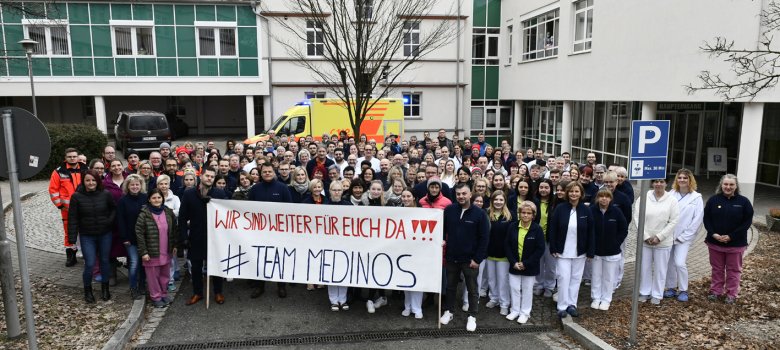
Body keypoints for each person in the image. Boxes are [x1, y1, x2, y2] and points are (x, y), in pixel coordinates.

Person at [439, 183, 490, 332]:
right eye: (458, 194)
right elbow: (442, 229)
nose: (461, 196)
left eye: (464, 193)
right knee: (450, 287)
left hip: (470, 260)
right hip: (452, 257)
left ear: (470, 194)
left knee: (472, 289)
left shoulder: (480, 214)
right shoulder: (449, 210)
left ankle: (472, 316)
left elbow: (484, 238)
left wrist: (477, 259)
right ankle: (449, 311)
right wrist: (442, 240)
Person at [179, 168, 228, 306]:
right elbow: (182, 217)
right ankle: (197, 293)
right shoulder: (189, 194)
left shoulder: (219, 193)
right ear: (201, 176)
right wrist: (184, 237)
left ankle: (218, 292)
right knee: (196, 267)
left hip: (215, 237)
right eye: (207, 175)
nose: (209, 178)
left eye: (212, 177)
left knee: (216, 266)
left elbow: (226, 214)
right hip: (196, 236)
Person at [703, 174, 753, 304]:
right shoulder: (713, 200)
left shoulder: (744, 202)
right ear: (721, 185)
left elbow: (746, 223)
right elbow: (706, 218)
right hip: (715, 242)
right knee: (717, 269)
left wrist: (731, 236)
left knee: (734, 270)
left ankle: (731, 294)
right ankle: (716, 291)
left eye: (731, 184)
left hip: (735, 244)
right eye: (725, 184)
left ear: (736, 186)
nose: (728, 187)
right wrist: (713, 234)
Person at [68, 170, 116, 303]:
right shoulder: (76, 197)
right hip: (87, 235)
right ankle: (87, 290)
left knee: (105, 261)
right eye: (88, 180)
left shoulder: (105, 194)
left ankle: (105, 288)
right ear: (83, 181)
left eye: (93, 180)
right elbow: (73, 218)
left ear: (98, 181)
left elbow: (113, 209)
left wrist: (108, 221)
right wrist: (71, 239)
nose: (91, 183)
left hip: (104, 234)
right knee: (89, 263)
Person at [548, 181, 594, 318]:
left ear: (581, 193)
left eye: (576, 191)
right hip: (562, 252)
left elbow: (591, 231)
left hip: (580, 252)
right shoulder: (560, 208)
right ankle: (561, 306)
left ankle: (572, 304)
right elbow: (553, 229)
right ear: (567, 193)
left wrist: (590, 251)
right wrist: (553, 247)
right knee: (563, 278)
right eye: (571, 191)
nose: (574, 194)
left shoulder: (586, 210)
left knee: (575, 279)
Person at [248, 163, 293, 298]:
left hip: (278, 231)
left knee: (279, 258)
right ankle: (260, 286)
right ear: (261, 174)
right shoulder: (255, 189)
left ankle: (281, 286)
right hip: (260, 231)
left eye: (269, 171)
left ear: (274, 173)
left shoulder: (283, 188)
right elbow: (248, 209)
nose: (267, 173)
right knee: (260, 258)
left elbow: (290, 209)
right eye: (265, 172)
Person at [633, 178, 679, 305]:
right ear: (652, 183)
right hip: (646, 241)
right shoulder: (644, 197)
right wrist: (646, 236)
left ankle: (657, 294)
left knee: (660, 269)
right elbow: (637, 217)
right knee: (645, 268)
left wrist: (659, 237)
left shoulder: (672, 200)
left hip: (663, 243)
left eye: (661, 181)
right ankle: (644, 292)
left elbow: (674, 221)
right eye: (656, 181)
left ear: (666, 183)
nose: (658, 184)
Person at [664, 169, 704, 302]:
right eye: (679, 177)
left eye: (685, 178)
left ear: (690, 180)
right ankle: (670, 287)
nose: (682, 180)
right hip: (669, 236)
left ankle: (683, 289)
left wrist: (684, 236)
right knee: (669, 263)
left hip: (684, 238)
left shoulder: (696, 197)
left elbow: (697, 220)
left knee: (680, 263)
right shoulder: (670, 194)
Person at [135, 189, 178, 308]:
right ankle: (156, 297)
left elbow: (174, 229)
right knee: (153, 276)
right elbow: (139, 234)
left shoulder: (168, 212)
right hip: (151, 252)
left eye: (159, 198)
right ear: (149, 199)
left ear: (162, 199)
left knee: (165, 274)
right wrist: (143, 252)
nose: (156, 200)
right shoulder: (144, 214)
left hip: (166, 250)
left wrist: (174, 245)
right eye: (154, 198)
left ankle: (163, 294)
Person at [505, 200, 546, 324]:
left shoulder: (537, 229)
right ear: (519, 213)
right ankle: (515, 310)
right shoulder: (512, 226)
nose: (526, 215)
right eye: (523, 212)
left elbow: (540, 249)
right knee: (514, 288)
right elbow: (507, 245)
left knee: (527, 289)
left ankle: (525, 312)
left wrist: (526, 263)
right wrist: (513, 262)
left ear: (533, 215)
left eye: (529, 213)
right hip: (514, 264)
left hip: (530, 266)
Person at [589, 189, 628, 311]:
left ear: (610, 199)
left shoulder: (616, 212)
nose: (604, 199)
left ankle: (606, 299)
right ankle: (596, 298)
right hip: (596, 251)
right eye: (601, 196)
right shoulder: (591, 211)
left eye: (607, 196)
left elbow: (623, 229)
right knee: (596, 276)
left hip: (612, 251)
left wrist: (616, 243)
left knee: (609, 277)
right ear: (597, 198)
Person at [49, 147, 87, 267]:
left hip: (84, 207)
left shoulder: (85, 169)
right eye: (69, 156)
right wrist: (60, 205)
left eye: (74, 156)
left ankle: (87, 253)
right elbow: (53, 190)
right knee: (68, 232)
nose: (72, 158)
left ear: (77, 157)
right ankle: (71, 255)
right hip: (67, 209)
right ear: (65, 158)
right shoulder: (59, 172)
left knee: (86, 230)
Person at [117, 174, 148, 300]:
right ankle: (133, 287)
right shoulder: (123, 201)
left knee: (144, 263)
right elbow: (120, 221)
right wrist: (124, 237)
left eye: (137, 184)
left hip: (145, 238)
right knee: (134, 263)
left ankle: (142, 285)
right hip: (130, 238)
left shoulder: (146, 198)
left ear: (141, 186)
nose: (135, 187)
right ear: (127, 186)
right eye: (132, 184)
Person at [485, 190, 513, 316]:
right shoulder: (486, 213)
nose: (498, 202)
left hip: (503, 254)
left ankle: (504, 303)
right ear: (492, 201)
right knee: (491, 279)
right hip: (489, 253)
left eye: (501, 200)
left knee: (503, 280)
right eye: (496, 199)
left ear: (505, 201)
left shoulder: (509, 216)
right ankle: (494, 298)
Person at [324, 181, 352, 311]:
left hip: (345, 244)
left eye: (339, 190)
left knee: (343, 271)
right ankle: (333, 300)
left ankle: (343, 299)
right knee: (331, 272)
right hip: (329, 243)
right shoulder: (324, 205)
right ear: (329, 191)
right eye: (334, 190)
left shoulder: (348, 205)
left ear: (342, 191)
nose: (336, 192)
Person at [400, 189, 425, 319]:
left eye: (408, 196)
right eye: (403, 196)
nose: (405, 198)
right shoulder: (397, 211)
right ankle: (407, 306)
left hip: (418, 250)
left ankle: (417, 308)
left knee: (417, 280)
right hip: (403, 250)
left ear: (414, 198)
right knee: (406, 280)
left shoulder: (422, 212)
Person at [533, 179, 557, 297]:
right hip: (537, 238)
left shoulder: (554, 203)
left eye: (546, 187)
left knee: (551, 265)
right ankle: (539, 284)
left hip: (550, 238)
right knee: (538, 263)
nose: (543, 190)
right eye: (541, 187)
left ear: (550, 189)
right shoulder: (534, 201)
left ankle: (550, 286)